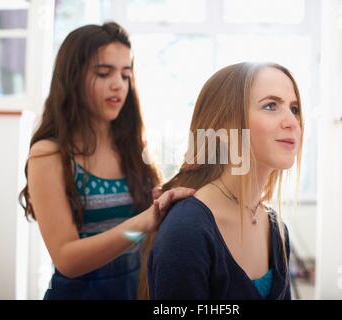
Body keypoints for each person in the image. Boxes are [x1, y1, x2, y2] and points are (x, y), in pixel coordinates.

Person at [19, 22, 194, 300]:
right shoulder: (49, 154)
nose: (118, 85)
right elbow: (67, 259)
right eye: (104, 73)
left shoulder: (132, 147)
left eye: (126, 75)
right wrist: (146, 220)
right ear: (72, 78)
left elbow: (147, 231)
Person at [142, 62, 304, 300]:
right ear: (224, 129)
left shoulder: (277, 230)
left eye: (295, 108)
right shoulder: (186, 232)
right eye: (271, 105)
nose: (292, 121)